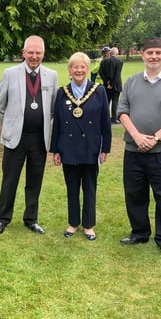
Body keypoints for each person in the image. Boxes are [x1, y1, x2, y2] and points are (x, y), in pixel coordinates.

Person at [116, 38, 161, 255]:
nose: (154, 56)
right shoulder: (131, 81)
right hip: (133, 149)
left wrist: (155, 138)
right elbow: (122, 111)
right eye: (149, 52)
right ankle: (139, 232)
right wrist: (136, 136)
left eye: (158, 52)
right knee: (135, 194)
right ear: (141, 54)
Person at [0, 35, 58, 235]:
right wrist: (11, 126)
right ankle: (2, 218)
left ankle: (31, 219)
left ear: (43, 54)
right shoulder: (10, 73)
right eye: (30, 52)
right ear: (23, 53)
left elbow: (54, 108)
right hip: (16, 139)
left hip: (39, 139)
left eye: (38, 53)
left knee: (35, 181)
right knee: (9, 180)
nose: (34, 56)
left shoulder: (51, 75)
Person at [50, 52, 112, 240]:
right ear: (69, 70)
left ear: (87, 69)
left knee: (90, 188)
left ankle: (88, 225)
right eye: (75, 67)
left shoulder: (99, 91)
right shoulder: (62, 92)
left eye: (82, 66)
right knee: (72, 188)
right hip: (68, 148)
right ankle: (73, 223)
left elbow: (105, 123)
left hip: (91, 148)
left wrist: (105, 148)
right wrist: (55, 150)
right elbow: (58, 123)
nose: (79, 70)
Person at [99, 46, 123, 124]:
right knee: (115, 101)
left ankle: (105, 117)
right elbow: (117, 75)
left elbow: (101, 73)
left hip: (106, 85)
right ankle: (114, 118)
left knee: (107, 101)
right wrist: (112, 84)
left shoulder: (103, 62)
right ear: (117, 53)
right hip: (116, 85)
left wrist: (107, 82)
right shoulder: (119, 62)